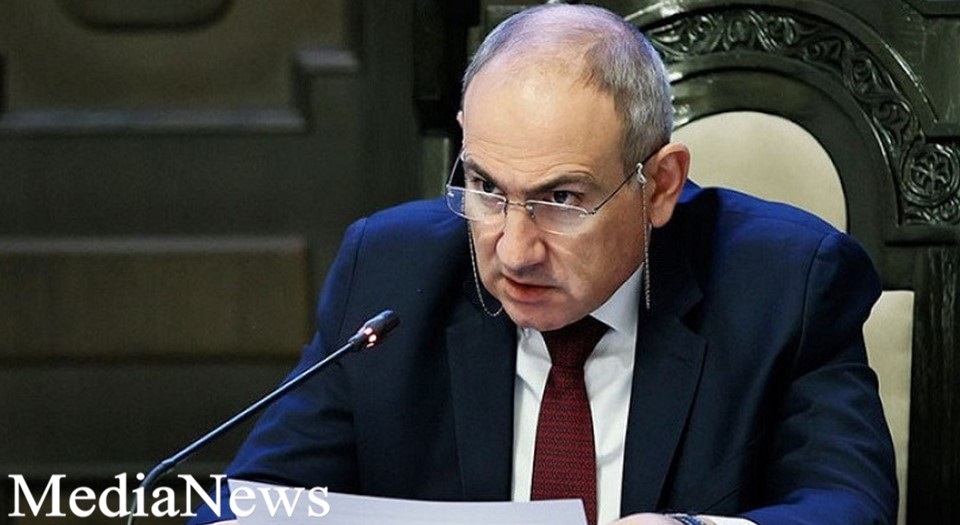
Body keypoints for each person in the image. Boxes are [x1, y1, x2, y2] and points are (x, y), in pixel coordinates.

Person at [192, 3, 896, 525]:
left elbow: (848, 505)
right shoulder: (388, 270)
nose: (514, 250)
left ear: (661, 185)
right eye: (486, 187)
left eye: (561, 198)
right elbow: (252, 506)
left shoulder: (786, 282)